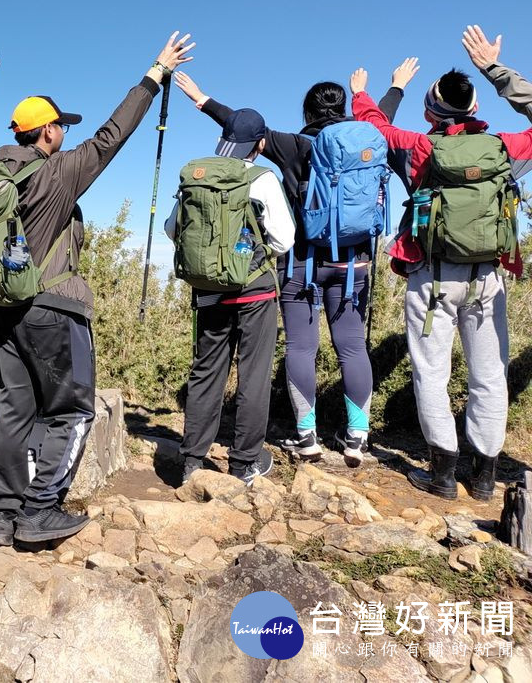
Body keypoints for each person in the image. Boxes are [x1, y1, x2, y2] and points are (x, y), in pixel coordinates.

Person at [0, 33, 194, 547]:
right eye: (60, 126)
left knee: (14, 412)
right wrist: (154, 74)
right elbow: (114, 134)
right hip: (52, 309)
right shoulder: (60, 173)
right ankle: (40, 509)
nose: (65, 134)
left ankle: (3, 516)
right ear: (46, 132)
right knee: (73, 411)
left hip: (1, 310)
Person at [170, 60, 417, 466]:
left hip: (300, 262)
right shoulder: (367, 137)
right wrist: (395, 87)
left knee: (301, 347)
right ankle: (356, 438)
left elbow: (247, 128)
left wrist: (201, 100)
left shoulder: (294, 145)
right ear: (346, 114)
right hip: (351, 261)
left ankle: (307, 437)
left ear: (307, 113)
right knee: (352, 347)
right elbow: (381, 118)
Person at [352, 63, 532, 501]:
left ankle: (443, 473)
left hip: (430, 277)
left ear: (431, 113)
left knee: (431, 371)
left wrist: (368, 91)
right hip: (486, 278)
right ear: (474, 108)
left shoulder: (417, 147)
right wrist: (496, 71)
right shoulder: (505, 148)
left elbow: (374, 127)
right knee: (489, 374)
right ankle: (486, 476)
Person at [166, 108, 296, 486]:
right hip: (254, 290)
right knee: (253, 376)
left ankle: (192, 460)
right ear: (260, 143)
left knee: (206, 372)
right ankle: (244, 463)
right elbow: (283, 239)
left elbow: (172, 229)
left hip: (209, 291)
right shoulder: (261, 177)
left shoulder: (197, 175)